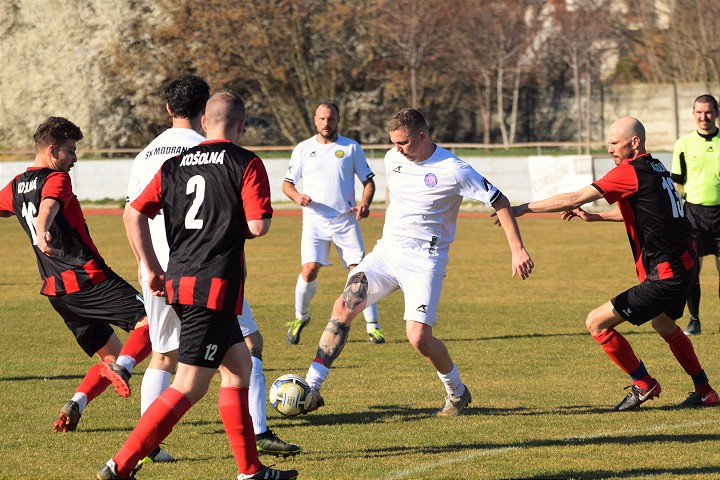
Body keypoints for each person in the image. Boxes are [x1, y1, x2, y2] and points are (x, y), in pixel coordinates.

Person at [98, 89, 297, 480]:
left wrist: (151, 267)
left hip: (179, 279)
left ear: (204, 122)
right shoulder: (246, 162)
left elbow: (133, 214)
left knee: (238, 366)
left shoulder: (174, 165)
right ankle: (120, 464)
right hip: (212, 286)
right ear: (241, 125)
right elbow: (258, 226)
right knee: (189, 384)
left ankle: (251, 469)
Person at [301, 108, 534, 417]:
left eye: (404, 143)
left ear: (422, 136)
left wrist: (517, 249)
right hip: (386, 253)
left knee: (418, 337)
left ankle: (457, 392)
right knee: (344, 304)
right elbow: (393, 190)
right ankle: (311, 387)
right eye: (394, 143)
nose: (397, 149)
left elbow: (499, 201)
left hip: (425, 260)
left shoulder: (455, 169)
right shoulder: (393, 158)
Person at [510, 116, 719, 410]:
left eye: (613, 142)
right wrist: (595, 217)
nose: (609, 149)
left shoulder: (629, 172)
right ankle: (705, 389)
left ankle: (644, 384)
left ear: (634, 143)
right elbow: (645, 213)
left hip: (666, 274)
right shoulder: (657, 168)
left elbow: (574, 197)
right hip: (685, 266)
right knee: (664, 323)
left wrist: (521, 208)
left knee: (596, 323)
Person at [0, 117, 152, 433]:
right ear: (53, 150)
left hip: (59, 294)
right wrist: (42, 231)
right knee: (156, 320)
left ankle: (76, 404)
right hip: (88, 279)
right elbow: (49, 205)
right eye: (70, 151)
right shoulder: (57, 179)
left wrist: (40, 228)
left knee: (111, 355)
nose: (75, 159)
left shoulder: (15, 186)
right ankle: (123, 370)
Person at [283, 102, 385, 345]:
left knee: (360, 274)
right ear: (315, 120)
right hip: (314, 222)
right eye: (321, 119)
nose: (326, 123)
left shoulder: (350, 147)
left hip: (345, 222)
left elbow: (368, 182)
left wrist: (365, 203)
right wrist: (298, 196)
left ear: (337, 120)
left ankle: (373, 327)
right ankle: (301, 318)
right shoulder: (303, 148)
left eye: (330, 119)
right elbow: (287, 184)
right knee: (309, 269)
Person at [670, 94, 720, 336]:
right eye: (699, 112)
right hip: (693, 215)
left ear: (716, 113)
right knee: (692, 272)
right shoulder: (683, 144)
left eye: (708, 112)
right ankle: (694, 320)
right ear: (693, 114)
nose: (704, 117)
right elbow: (677, 182)